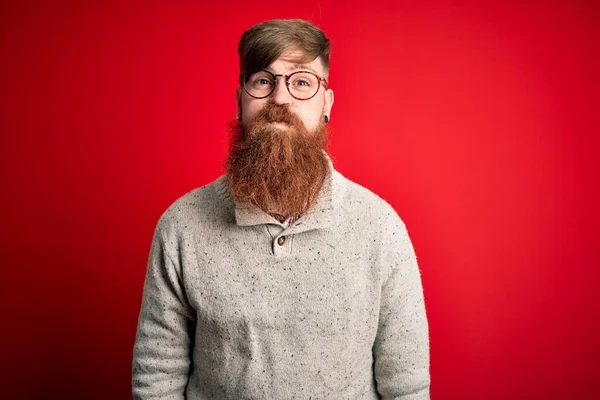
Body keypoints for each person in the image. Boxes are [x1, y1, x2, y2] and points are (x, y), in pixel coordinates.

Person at [133, 18, 430, 400]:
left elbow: (406, 386)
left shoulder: (380, 227)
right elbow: (157, 377)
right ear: (240, 99)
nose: (280, 98)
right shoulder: (181, 226)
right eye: (263, 80)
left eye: (302, 82)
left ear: (327, 103)